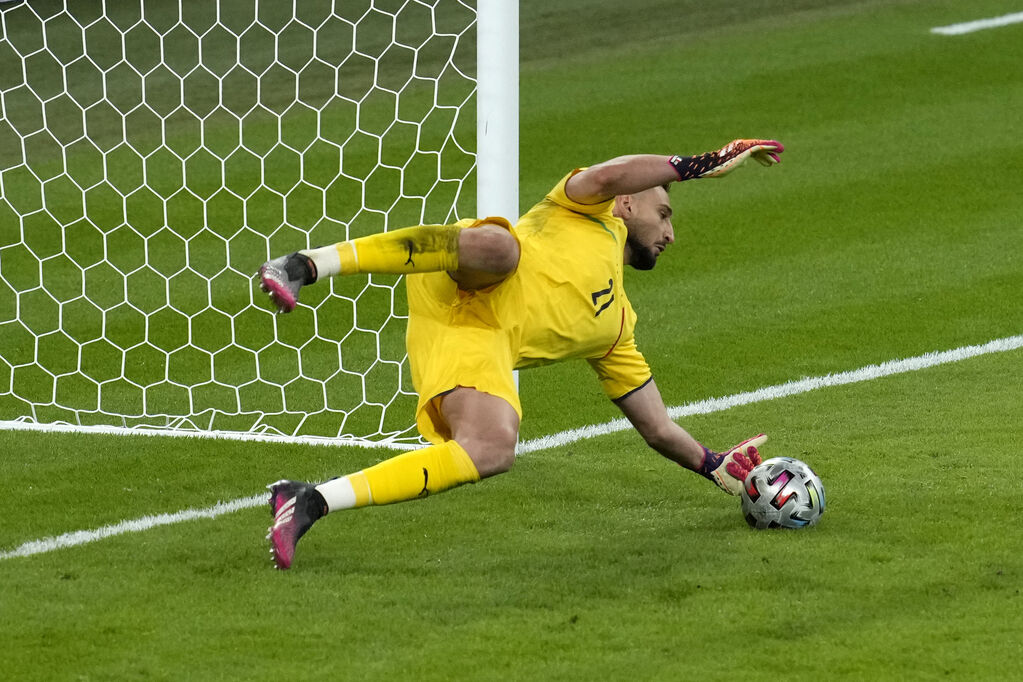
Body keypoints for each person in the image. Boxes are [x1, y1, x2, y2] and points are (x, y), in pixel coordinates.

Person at [258, 138, 784, 569]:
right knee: (502, 248)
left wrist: (713, 464)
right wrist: (700, 164)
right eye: (664, 213)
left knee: (493, 449)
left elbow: (657, 426)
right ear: (628, 203)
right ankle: (304, 265)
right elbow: (607, 172)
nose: (670, 232)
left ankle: (308, 500)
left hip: (469, 336)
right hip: (466, 272)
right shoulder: (584, 208)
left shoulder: (616, 327)